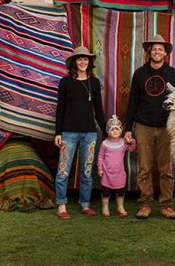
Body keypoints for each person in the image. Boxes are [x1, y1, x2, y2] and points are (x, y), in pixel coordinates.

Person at [125, 34, 175, 220]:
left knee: (166, 168)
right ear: (149, 52)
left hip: (167, 127)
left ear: (165, 53)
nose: (157, 52)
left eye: (160, 49)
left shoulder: (173, 74)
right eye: (154, 49)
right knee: (144, 167)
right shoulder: (140, 74)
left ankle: (167, 205)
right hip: (144, 126)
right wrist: (128, 128)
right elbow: (133, 102)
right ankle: (145, 204)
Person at [54, 46, 106, 219]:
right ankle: (61, 205)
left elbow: (99, 111)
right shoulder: (65, 82)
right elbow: (60, 109)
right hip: (68, 133)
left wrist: (106, 132)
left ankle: (85, 204)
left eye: (86, 59)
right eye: (79, 59)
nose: (83, 62)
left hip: (89, 133)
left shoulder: (94, 83)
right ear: (74, 62)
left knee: (86, 171)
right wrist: (58, 132)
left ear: (89, 62)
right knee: (63, 170)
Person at [97, 115, 136, 217]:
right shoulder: (105, 144)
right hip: (107, 173)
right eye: (112, 129)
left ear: (121, 131)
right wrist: (100, 169)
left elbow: (132, 148)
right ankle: (105, 206)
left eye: (117, 129)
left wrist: (131, 141)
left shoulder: (123, 143)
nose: (115, 131)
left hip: (119, 173)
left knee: (120, 191)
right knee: (105, 191)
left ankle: (120, 207)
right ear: (108, 131)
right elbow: (100, 157)